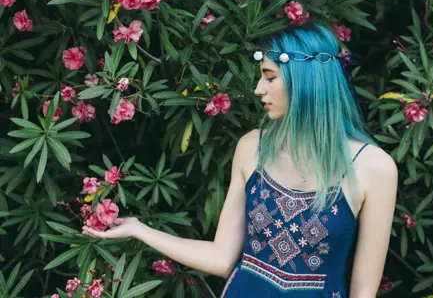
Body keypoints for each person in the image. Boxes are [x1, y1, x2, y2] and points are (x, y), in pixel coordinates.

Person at [82, 20, 398, 298]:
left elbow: (363, 291)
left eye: (270, 77)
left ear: (305, 80)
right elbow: (221, 258)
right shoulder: (252, 148)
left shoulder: (374, 168)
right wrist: (139, 228)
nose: (259, 88)